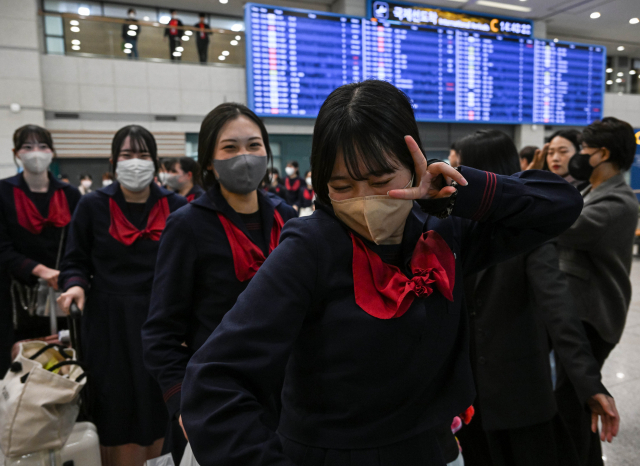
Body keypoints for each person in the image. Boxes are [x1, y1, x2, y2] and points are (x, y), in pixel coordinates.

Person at [179, 80, 587, 466]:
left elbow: (560, 205)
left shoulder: (442, 227)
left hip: (437, 449)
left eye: (380, 180)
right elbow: (214, 381)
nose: (365, 200)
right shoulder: (310, 247)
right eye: (341, 186)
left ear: (414, 166)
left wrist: (461, 190)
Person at [452, 130, 618, 466]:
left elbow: (559, 310)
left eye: (460, 167)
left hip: (519, 398)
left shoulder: (526, 233)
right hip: (470, 403)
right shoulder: (452, 229)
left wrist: (589, 384)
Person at [142, 103, 297, 463]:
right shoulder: (188, 225)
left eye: (254, 145)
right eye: (230, 147)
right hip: (216, 398)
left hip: (286, 396)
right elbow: (160, 334)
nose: (245, 157)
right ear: (209, 161)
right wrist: (183, 402)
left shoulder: (284, 217)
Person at [57, 125, 187, 466]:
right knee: (116, 401)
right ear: (114, 161)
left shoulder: (176, 206)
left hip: (162, 319)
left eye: (144, 156)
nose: (136, 163)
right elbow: (75, 260)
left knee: (159, 397)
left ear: (155, 163)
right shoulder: (92, 205)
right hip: (109, 321)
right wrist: (74, 284)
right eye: (128, 156)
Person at [555, 117, 638, 466]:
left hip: (595, 315)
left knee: (570, 403)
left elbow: (566, 225)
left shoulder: (619, 202)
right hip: (581, 311)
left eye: (580, 151)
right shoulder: (591, 191)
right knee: (573, 401)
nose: (575, 158)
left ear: (602, 154)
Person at [0, 125, 81, 375]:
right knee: (21, 364)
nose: (36, 152)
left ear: (52, 152)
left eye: (42, 146)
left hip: (63, 289)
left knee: (64, 358)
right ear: (16, 153)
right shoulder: (3, 192)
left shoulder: (70, 194)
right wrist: (40, 270)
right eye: (28, 147)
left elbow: (79, 244)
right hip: (16, 295)